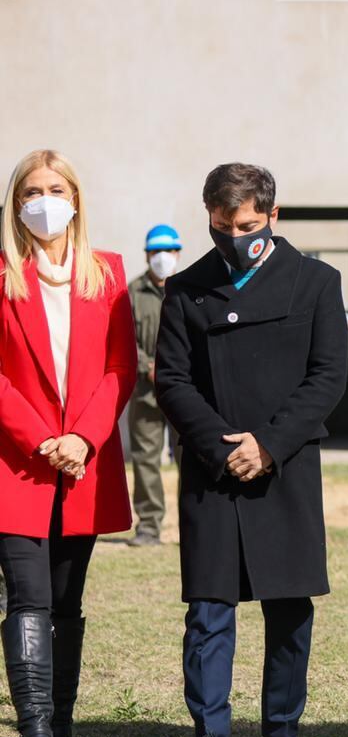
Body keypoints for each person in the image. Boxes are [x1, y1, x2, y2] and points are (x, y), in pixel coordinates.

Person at [155, 163, 348, 737]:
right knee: (208, 612)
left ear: (273, 214)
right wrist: (220, 445)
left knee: (289, 609)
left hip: (284, 469)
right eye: (220, 225)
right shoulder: (186, 289)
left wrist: (268, 444)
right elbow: (173, 381)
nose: (234, 236)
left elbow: (328, 377)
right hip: (212, 473)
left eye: (246, 225)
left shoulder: (317, 282)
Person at [0, 149, 136, 737]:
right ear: (15, 202)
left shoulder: (105, 272)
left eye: (55, 188)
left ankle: (63, 732)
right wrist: (41, 438)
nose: (44, 200)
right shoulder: (2, 273)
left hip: (84, 465)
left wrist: (81, 437)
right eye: (32, 190)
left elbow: (119, 369)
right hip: (16, 464)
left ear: (75, 198)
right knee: (26, 597)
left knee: (65, 602)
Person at [126, 224, 182, 547]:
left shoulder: (188, 289)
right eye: (155, 252)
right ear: (147, 255)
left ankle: (194, 524)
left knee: (188, 457)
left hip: (183, 393)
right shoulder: (133, 293)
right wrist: (149, 365)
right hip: (145, 393)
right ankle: (148, 525)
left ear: (178, 253)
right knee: (145, 458)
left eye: (169, 251)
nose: (163, 258)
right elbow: (122, 339)